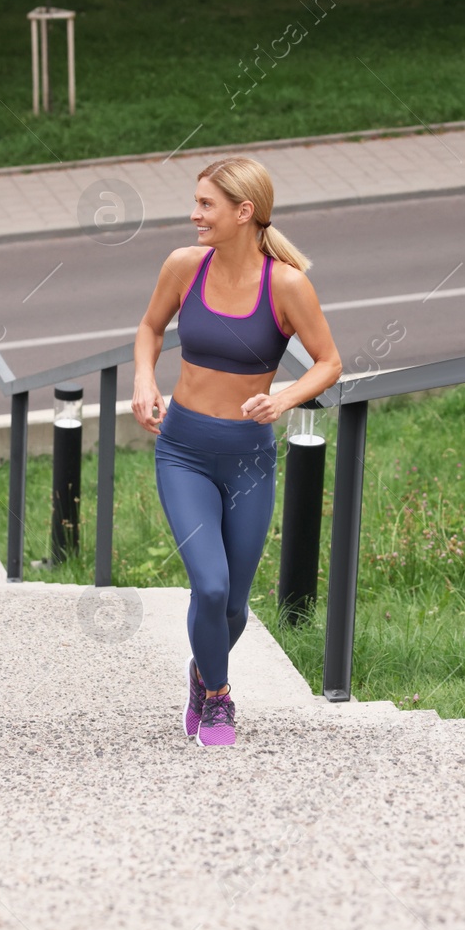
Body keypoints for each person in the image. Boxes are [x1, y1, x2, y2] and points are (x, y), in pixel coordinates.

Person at [132, 157, 341, 747]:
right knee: (212, 586)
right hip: (184, 451)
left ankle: (202, 673)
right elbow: (149, 329)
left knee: (236, 609)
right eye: (196, 202)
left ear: (243, 213)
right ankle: (220, 700)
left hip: (249, 457)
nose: (194, 214)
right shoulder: (183, 266)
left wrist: (283, 399)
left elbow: (329, 361)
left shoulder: (287, 285)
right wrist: (145, 381)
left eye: (206, 205)